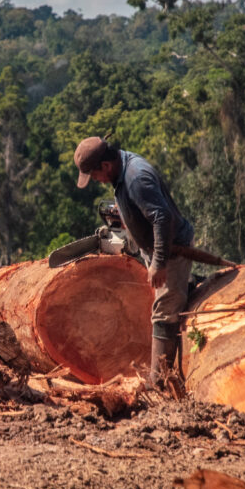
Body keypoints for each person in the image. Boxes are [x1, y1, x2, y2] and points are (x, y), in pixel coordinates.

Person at [73, 136, 194, 389]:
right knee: (160, 303)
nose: (95, 180)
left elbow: (162, 219)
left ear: (105, 166)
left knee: (164, 312)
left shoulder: (136, 177)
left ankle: (160, 383)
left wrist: (159, 263)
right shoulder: (120, 169)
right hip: (153, 248)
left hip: (171, 250)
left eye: (94, 175)